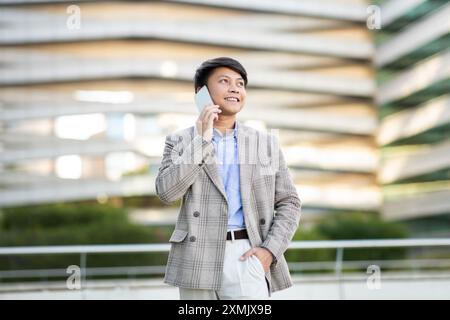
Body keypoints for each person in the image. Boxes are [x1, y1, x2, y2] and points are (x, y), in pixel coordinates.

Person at [155, 57, 301, 300]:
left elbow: (290, 202)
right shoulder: (180, 141)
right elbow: (167, 193)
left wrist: (269, 251)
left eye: (240, 83)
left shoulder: (265, 143)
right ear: (201, 93)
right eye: (224, 81)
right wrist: (201, 140)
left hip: (248, 255)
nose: (235, 88)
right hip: (196, 257)